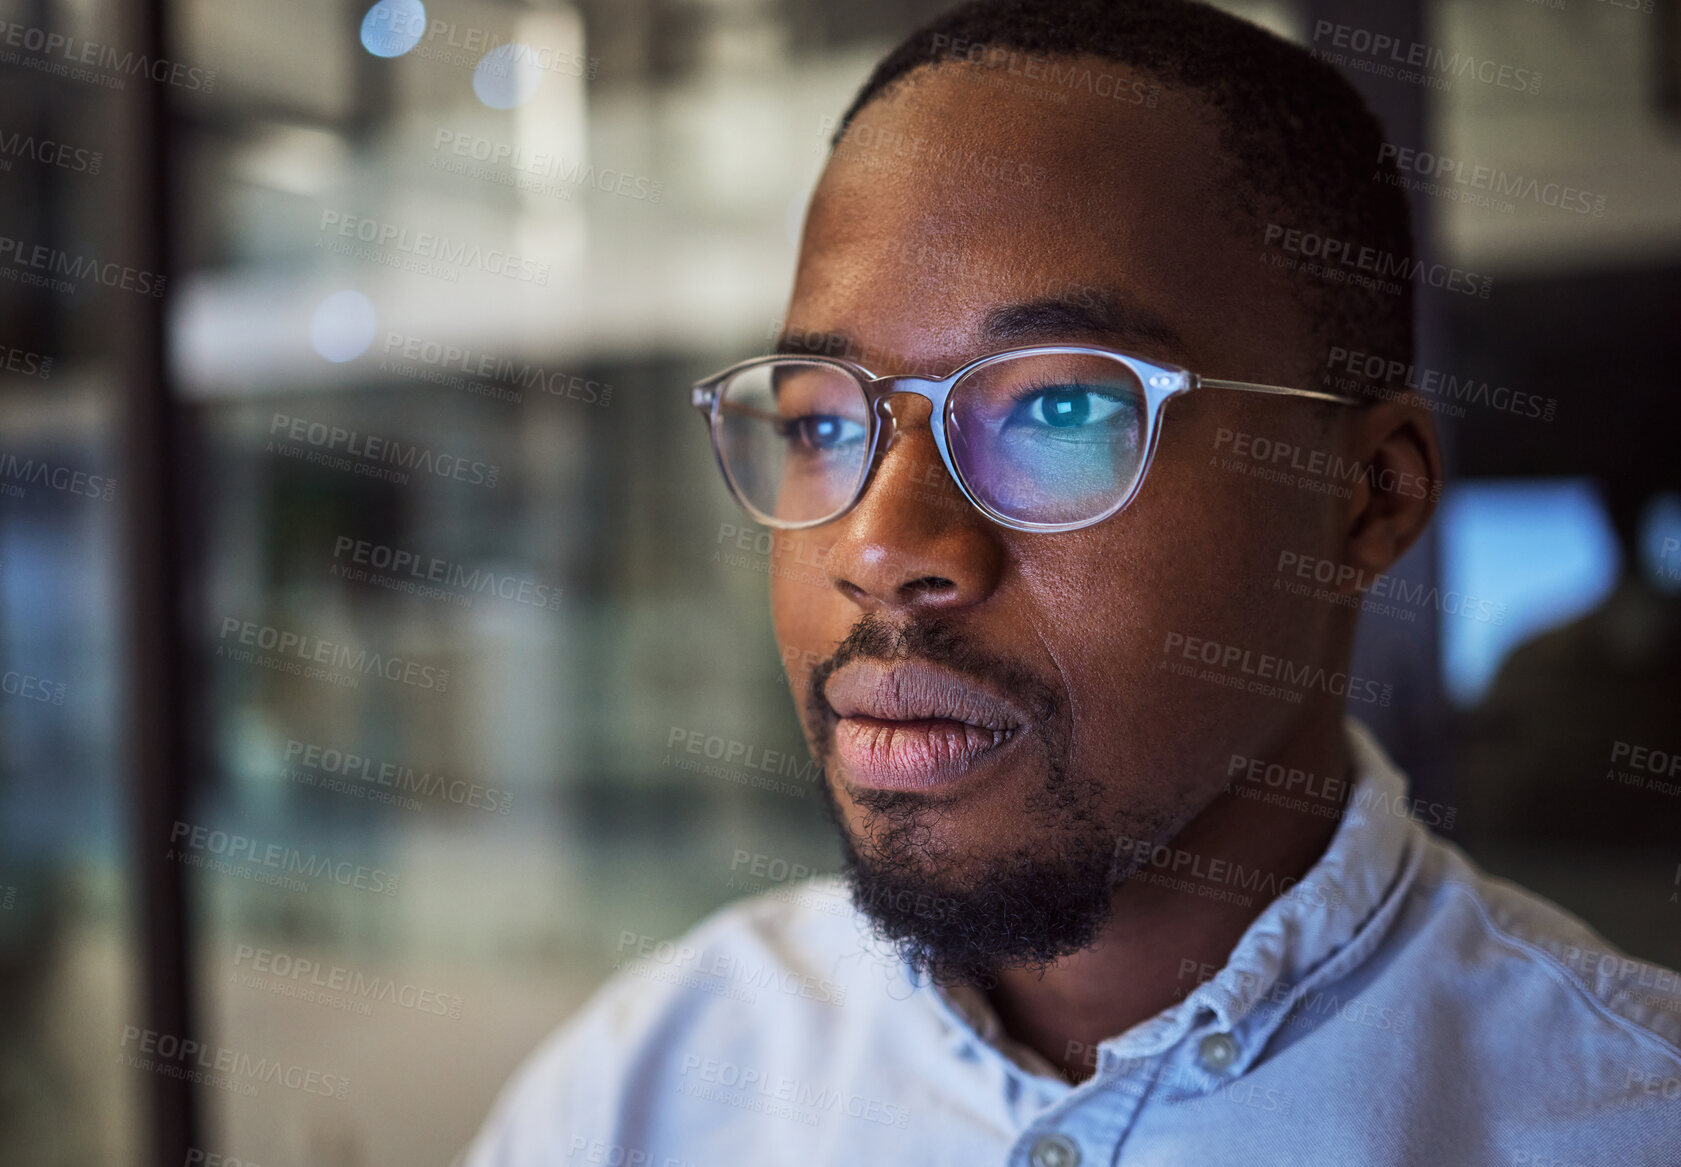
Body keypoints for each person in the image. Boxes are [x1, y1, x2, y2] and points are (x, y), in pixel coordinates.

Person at [463, 1, 1681, 1162]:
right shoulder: (647, 1086)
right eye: (824, 422)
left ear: (1368, 497)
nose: (879, 548)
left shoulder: (1616, 1118)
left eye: (1060, 407)